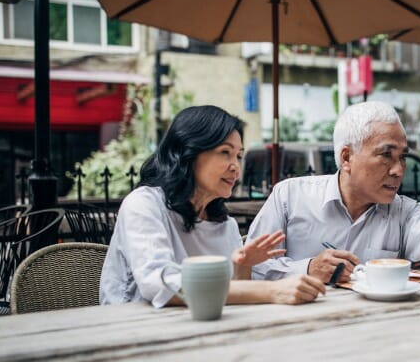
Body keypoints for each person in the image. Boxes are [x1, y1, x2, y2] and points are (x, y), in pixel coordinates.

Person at [100, 105, 325, 307]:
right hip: (133, 330)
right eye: (225, 153)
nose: (236, 167)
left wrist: (244, 266)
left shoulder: (225, 224)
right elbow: (159, 285)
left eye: (239, 156)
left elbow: (232, 296)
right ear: (188, 153)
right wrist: (272, 290)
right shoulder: (144, 204)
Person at [247, 101, 420, 283]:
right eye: (386, 155)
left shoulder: (402, 214)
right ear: (346, 158)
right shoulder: (290, 197)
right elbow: (251, 266)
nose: (398, 170)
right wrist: (309, 269)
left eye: (402, 157)